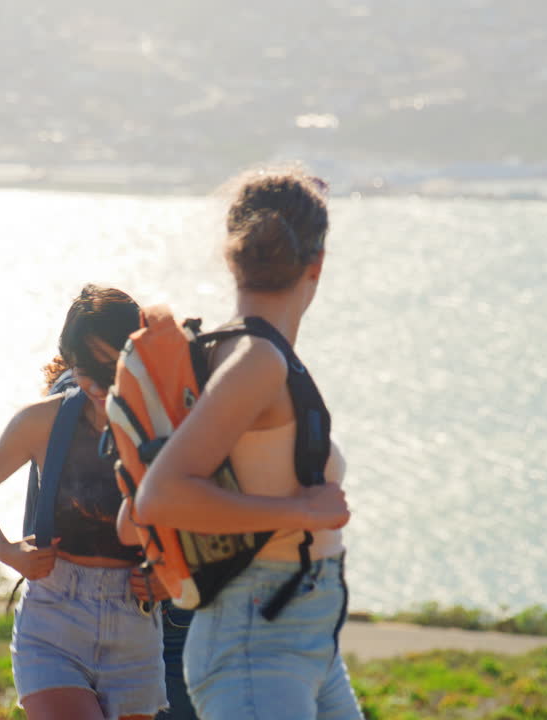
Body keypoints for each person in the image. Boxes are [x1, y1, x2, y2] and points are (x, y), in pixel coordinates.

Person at [128, 168, 361, 720]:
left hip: (299, 632)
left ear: (232, 255)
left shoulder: (238, 352)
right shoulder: (256, 360)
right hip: (259, 639)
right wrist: (300, 511)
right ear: (317, 263)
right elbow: (159, 497)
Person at [0, 285, 166, 720]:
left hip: (135, 624)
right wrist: (5, 550)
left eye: (111, 368)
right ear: (70, 362)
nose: (97, 384)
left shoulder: (167, 427)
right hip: (53, 618)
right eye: (85, 369)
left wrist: (174, 576)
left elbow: (203, 514)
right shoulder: (41, 422)